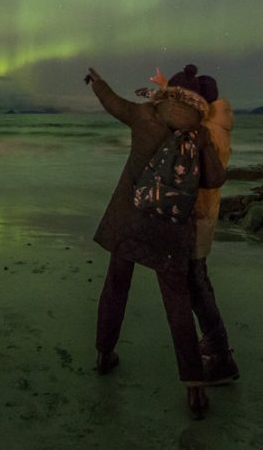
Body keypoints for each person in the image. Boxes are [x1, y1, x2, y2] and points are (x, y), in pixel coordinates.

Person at [85, 66, 226, 419]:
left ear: (169, 94)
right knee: (177, 304)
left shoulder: (144, 114)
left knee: (116, 285)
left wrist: (97, 82)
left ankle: (104, 355)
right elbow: (214, 179)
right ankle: (194, 388)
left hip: (129, 219)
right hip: (170, 229)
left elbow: (113, 103)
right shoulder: (198, 132)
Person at [146, 65, 240, 385]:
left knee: (197, 287)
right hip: (205, 215)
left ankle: (219, 355)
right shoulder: (216, 122)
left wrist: (163, 94)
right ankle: (216, 349)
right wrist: (164, 87)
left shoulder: (206, 133)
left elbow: (178, 121)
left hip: (197, 216)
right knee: (199, 282)